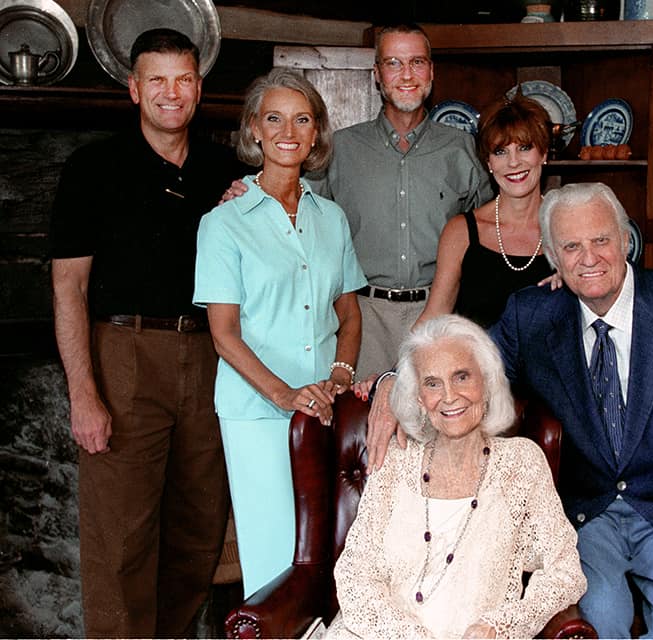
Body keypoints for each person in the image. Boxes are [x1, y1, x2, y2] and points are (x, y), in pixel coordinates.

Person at [369, 183, 653, 638]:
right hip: (586, 516)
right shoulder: (533, 314)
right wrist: (393, 380)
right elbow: (467, 365)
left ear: (625, 240)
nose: (588, 258)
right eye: (571, 247)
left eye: (600, 241)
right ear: (553, 257)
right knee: (594, 625)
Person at [49, 28, 240, 637]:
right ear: (133, 89)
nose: (170, 92)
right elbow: (68, 289)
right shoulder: (92, 168)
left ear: (199, 89)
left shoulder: (223, 170)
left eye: (183, 79)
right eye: (156, 79)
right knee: (121, 535)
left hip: (210, 355)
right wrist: (83, 393)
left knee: (198, 526)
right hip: (124, 354)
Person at [193, 68, 366, 597]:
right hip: (258, 413)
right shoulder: (223, 223)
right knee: (272, 561)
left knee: (334, 555)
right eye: (274, 118)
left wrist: (338, 378)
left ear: (316, 134)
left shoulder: (332, 218)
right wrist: (285, 394)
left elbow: (350, 314)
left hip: (323, 408)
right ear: (254, 131)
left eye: (302, 119)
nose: (288, 130)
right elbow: (224, 335)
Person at [325, 315, 586, 639]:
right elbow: (355, 574)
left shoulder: (522, 463)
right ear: (419, 398)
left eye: (462, 377)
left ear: (487, 382)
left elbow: (565, 573)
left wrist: (501, 625)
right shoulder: (394, 460)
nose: (449, 396)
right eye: (432, 383)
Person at [311, 23, 493, 377]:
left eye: (417, 62)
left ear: (431, 71)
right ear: (377, 75)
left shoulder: (461, 148)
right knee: (363, 428)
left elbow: (494, 226)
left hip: (440, 312)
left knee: (437, 425)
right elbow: (295, 212)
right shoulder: (340, 149)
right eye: (394, 63)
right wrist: (247, 190)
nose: (407, 74)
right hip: (362, 319)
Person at [414, 94, 555, 329]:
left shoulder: (567, 227)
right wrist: (399, 365)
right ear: (488, 163)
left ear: (543, 154)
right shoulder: (461, 231)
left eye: (524, 148)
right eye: (500, 151)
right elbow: (433, 318)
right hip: (478, 365)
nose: (513, 162)